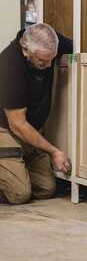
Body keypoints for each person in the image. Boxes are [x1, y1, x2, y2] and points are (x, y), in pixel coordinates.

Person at [0, 23, 72, 204]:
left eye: (51, 59)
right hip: (5, 129)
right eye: (42, 61)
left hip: (29, 128)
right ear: (25, 50)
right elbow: (17, 124)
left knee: (47, 189)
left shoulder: (49, 41)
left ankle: (13, 171)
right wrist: (54, 151)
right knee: (19, 195)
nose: (49, 66)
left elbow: (80, 47)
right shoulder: (9, 66)